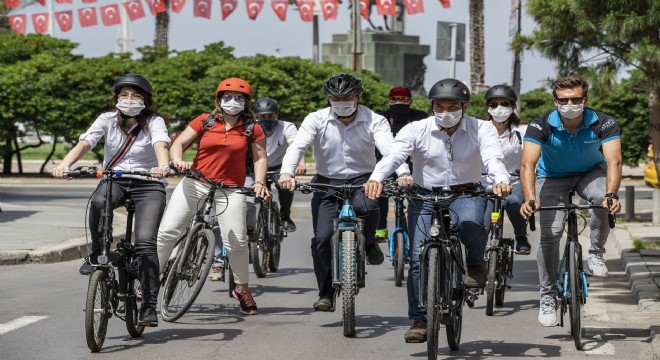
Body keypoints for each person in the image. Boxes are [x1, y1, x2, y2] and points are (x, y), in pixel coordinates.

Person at [363, 78, 512, 343]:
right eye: (439, 106)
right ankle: (419, 319)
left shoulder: (483, 129)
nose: (445, 112)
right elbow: (395, 155)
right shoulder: (416, 129)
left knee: (470, 224)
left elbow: (492, 157)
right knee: (418, 256)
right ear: (431, 106)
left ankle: (476, 263)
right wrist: (377, 177)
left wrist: (500, 179)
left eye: (452, 106)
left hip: (465, 191)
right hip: (424, 194)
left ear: (464, 106)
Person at [278, 73, 410, 311]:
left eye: (347, 96)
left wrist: (403, 173)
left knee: (368, 207)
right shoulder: (316, 118)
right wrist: (287, 173)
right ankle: (326, 293)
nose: (341, 101)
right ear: (328, 98)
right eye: (335, 97)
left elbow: (390, 149)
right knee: (322, 238)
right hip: (327, 180)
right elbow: (298, 145)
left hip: (363, 178)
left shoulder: (375, 119)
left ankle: (369, 242)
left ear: (358, 97)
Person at [52, 74, 170, 327]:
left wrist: (162, 166)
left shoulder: (154, 121)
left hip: (148, 184)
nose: (129, 100)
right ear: (116, 98)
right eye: (124, 94)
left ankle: (149, 305)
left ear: (146, 100)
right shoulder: (106, 119)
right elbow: (86, 143)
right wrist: (65, 165)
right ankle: (97, 253)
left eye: (136, 95)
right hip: (114, 180)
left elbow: (161, 144)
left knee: (146, 242)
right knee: (97, 203)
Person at [156, 77, 270, 316]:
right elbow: (179, 144)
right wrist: (178, 159)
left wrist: (259, 182)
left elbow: (260, 158)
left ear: (246, 102)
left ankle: (242, 289)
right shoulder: (204, 121)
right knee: (167, 232)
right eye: (227, 97)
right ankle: (150, 280)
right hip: (196, 183)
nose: (233, 102)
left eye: (239, 98)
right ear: (219, 100)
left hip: (230, 190)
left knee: (236, 241)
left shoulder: (252, 128)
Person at [519, 75, 622, 327]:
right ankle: (547, 296)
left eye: (576, 99)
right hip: (551, 176)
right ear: (555, 101)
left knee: (601, 200)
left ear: (585, 99)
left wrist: (611, 194)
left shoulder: (604, 122)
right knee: (550, 234)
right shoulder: (540, 124)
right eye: (564, 100)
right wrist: (530, 198)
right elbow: (527, 164)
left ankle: (596, 255)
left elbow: (614, 161)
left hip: (590, 172)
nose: (570, 104)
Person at [374, 86, 428, 242]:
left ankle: (414, 229)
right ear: (388, 101)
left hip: (412, 164)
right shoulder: (381, 117)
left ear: (410, 101)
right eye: (394, 99)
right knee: (379, 192)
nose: (399, 102)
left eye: (403, 99)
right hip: (386, 162)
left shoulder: (420, 117)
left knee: (416, 196)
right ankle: (380, 228)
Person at [483, 84, 531, 254]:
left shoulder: (523, 131)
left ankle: (521, 236)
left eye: (505, 104)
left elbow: (531, 158)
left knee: (513, 202)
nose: (499, 108)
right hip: (485, 184)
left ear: (513, 107)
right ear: (488, 108)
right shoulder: (478, 129)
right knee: (481, 223)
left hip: (514, 181)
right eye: (494, 104)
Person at [249, 97, 306, 233]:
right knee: (255, 193)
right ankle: (255, 220)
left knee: (286, 186)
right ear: (255, 117)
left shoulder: (287, 127)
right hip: (256, 166)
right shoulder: (250, 128)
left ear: (277, 115)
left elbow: (296, 147)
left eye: (270, 115)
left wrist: (300, 164)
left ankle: (285, 216)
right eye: (262, 116)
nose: (266, 119)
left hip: (279, 166)